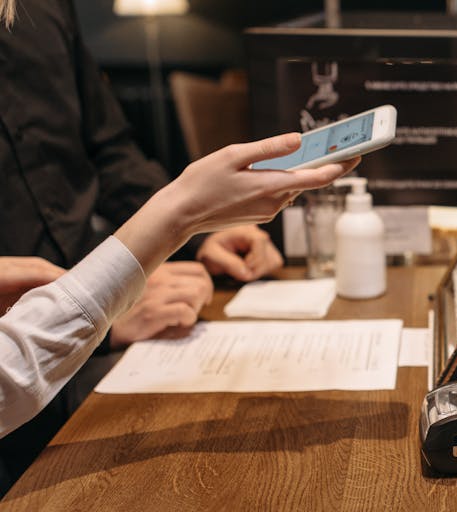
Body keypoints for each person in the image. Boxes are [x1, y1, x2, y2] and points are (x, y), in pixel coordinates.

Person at [0, 0, 290, 485]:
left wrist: (202, 239)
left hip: (97, 326)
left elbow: (110, 150)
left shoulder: (46, 8)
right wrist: (104, 315)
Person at [0, 132, 359, 439]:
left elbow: (113, 157)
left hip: (85, 304)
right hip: (38, 390)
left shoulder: (58, 46)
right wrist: (179, 217)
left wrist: (197, 238)